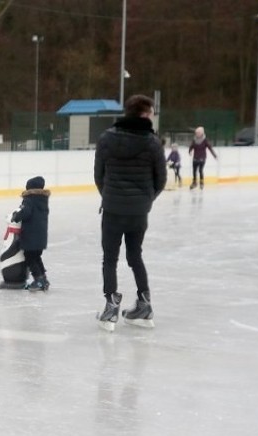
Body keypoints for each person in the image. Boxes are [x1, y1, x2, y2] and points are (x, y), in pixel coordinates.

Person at [93, 94, 166, 331]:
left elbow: (98, 175)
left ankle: (111, 307)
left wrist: (111, 196)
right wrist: (144, 200)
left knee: (110, 259)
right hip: (138, 212)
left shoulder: (106, 138)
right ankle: (144, 304)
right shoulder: (153, 143)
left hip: (113, 209)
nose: (153, 117)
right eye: (152, 113)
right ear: (144, 114)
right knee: (135, 256)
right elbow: (161, 180)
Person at [13, 176, 50, 291]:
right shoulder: (43, 199)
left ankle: (38, 280)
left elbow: (26, 212)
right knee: (37, 257)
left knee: (29, 257)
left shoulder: (29, 199)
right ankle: (44, 279)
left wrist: (16, 216)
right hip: (40, 235)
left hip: (31, 235)